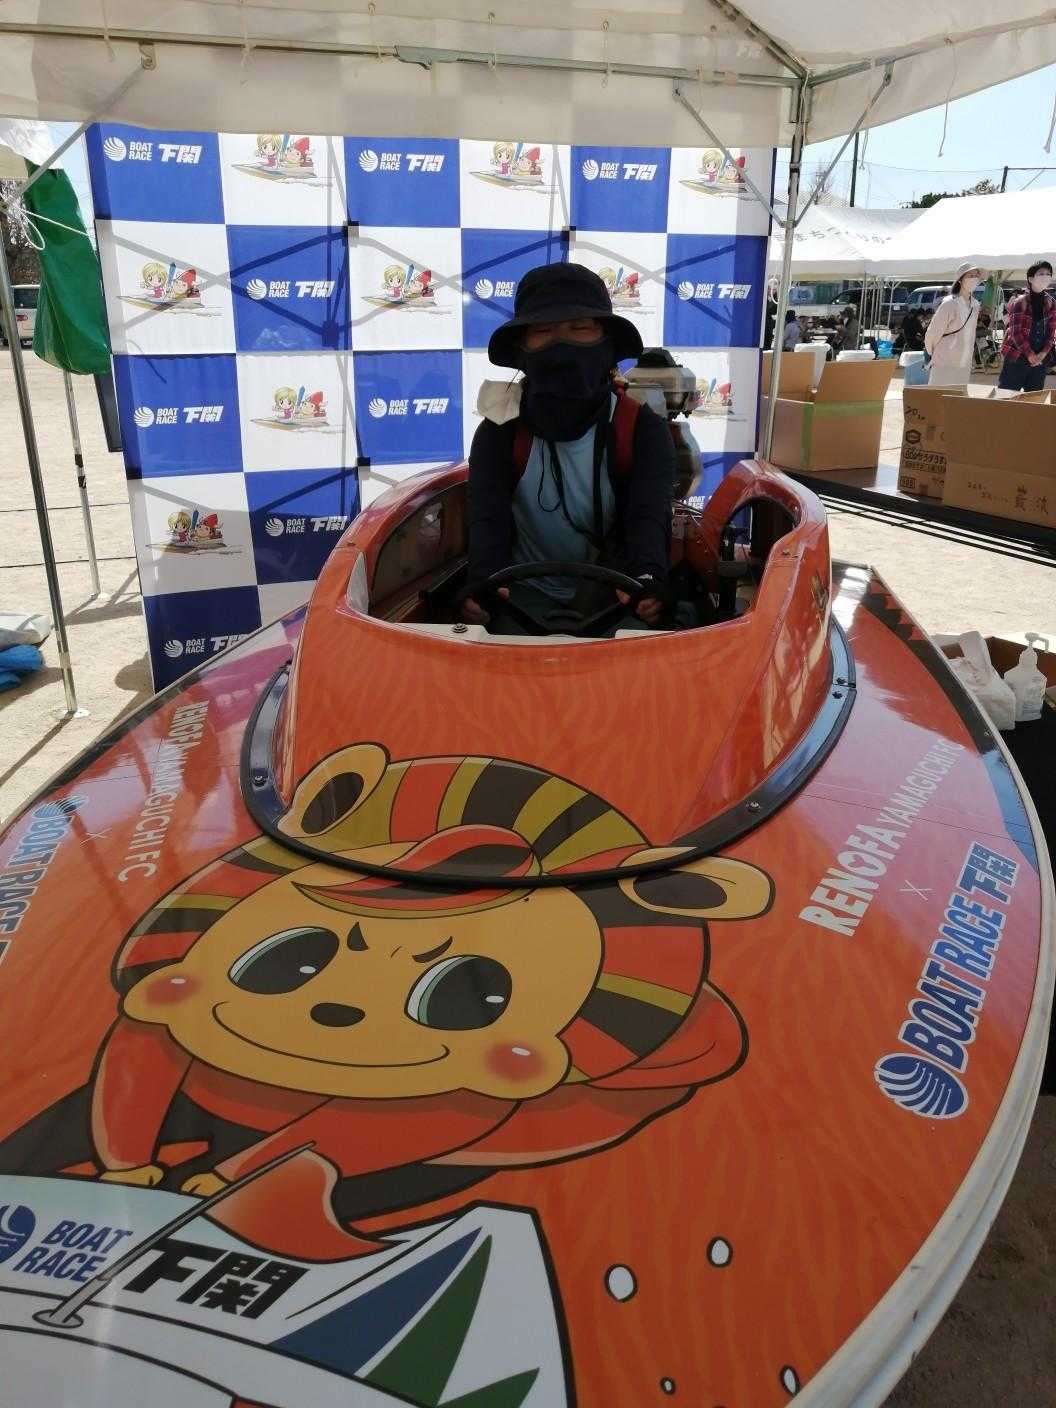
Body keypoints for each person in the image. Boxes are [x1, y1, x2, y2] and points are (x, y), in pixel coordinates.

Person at [463, 263, 674, 635]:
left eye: (580, 328)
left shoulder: (643, 431)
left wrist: (647, 580)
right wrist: (482, 586)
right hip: (520, 599)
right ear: (522, 348)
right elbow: (487, 523)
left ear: (607, 344)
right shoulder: (498, 434)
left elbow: (647, 519)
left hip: (615, 597)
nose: (561, 344)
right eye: (543, 331)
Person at [998, 260, 1056, 393]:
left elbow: (1051, 332)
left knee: (1034, 397)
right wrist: (1030, 355)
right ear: (1030, 279)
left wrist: (1043, 353)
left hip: (1040, 360)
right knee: (1006, 396)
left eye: (1048, 274)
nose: (1045, 276)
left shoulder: (1051, 302)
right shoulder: (1020, 302)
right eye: (1041, 273)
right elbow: (1015, 333)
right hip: (1017, 357)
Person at [924, 262, 981, 386]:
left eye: (976, 276)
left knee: (958, 396)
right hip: (944, 362)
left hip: (964, 363)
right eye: (970, 276)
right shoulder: (949, 303)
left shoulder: (975, 305)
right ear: (960, 280)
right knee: (938, 395)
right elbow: (933, 333)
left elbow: (971, 334)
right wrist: (937, 353)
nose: (974, 279)